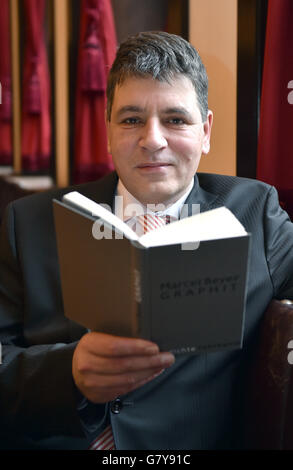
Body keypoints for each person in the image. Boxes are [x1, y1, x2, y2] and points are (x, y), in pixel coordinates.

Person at [0, 31, 293, 450]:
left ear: (206, 131)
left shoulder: (254, 212)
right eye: (132, 119)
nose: (152, 140)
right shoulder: (28, 222)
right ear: (108, 131)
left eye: (176, 119)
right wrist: (67, 372)